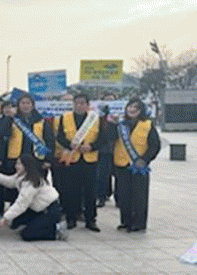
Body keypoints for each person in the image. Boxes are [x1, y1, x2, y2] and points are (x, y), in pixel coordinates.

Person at [0, 94, 54, 214]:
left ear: (33, 105)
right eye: (23, 103)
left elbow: (49, 140)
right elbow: (1, 134)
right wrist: (9, 118)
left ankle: (33, 215)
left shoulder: (41, 121)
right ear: (18, 105)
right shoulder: (13, 119)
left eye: (28, 103)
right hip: (15, 160)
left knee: (34, 190)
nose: (25, 106)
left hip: (36, 160)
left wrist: (48, 160)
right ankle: (15, 216)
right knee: (14, 190)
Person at [57, 93, 105, 232]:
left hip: (90, 160)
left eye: (82, 103)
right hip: (72, 159)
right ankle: (71, 218)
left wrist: (92, 146)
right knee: (71, 190)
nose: (79, 105)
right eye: (77, 103)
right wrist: (69, 144)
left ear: (88, 105)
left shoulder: (95, 118)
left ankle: (91, 220)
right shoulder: (65, 117)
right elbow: (59, 136)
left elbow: (103, 138)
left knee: (91, 191)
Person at [112, 98, 160, 232]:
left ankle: (138, 223)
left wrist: (144, 159)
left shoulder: (147, 125)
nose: (132, 110)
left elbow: (155, 145)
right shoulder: (120, 125)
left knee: (139, 196)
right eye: (130, 106)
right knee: (123, 195)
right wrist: (110, 123)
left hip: (139, 166)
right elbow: (109, 139)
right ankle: (126, 221)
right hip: (122, 164)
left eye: (136, 108)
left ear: (141, 110)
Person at [0, 155, 66, 241]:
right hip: (37, 209)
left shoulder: (32, 182)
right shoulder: (22, 176)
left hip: (50, 210)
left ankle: (56, 230)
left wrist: (5, 218)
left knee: (27, 235)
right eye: (16, 164)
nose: (16, 166)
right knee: (15, 222)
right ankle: (39, 225)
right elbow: (11, 181)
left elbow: (21, 204)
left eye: (19, 164)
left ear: (26, 166)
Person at [97, 93, 116, 208]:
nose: (109, 103)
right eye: (107, 100)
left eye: (112, 100)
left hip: (118, 149)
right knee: (102, 174)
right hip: (103, 149)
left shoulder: (120, 115)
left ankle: (119, 198)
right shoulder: (99, 116)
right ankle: (101, 197)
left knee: (118, 175)